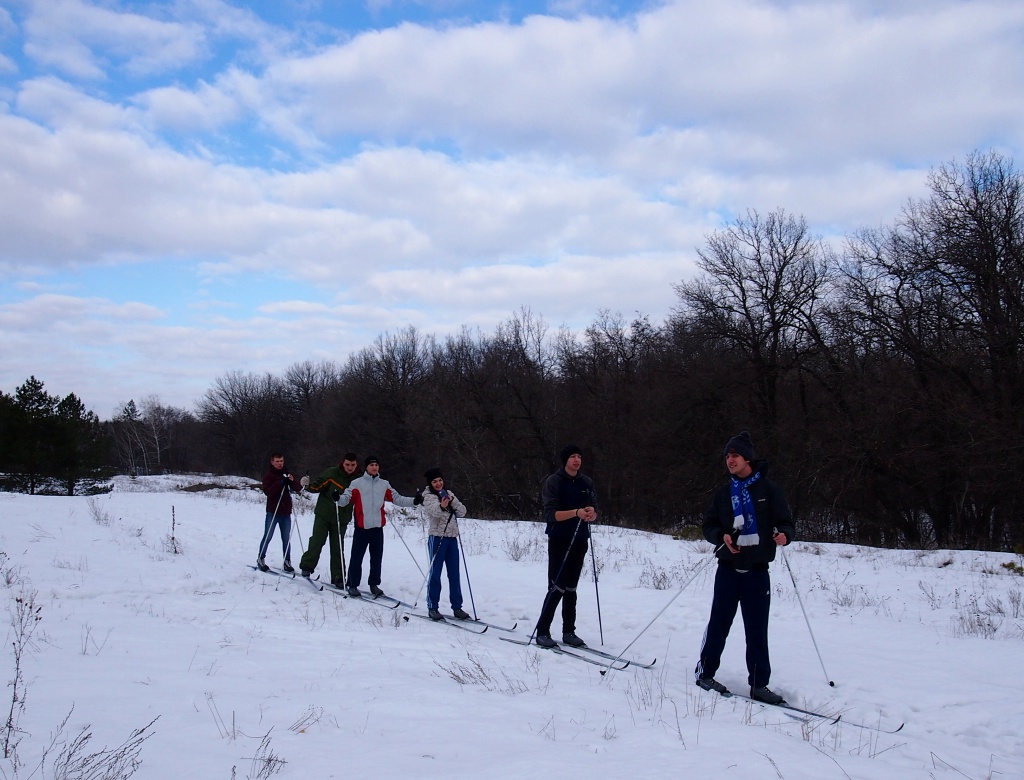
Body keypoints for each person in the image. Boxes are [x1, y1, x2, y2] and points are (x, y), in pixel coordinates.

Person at [694, 431, 795, 705]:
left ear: (747, 458)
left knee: (757, 630)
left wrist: (783, 534)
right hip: (728, 569)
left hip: (757, 571)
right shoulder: (724, 493)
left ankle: (759, 685)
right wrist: (721, 537)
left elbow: (786, 522)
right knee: (719, 624)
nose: (730, 460)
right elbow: (709, 526)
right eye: (727, 456)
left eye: (735, 455)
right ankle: (705, 673)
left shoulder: (769, 490)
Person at [534, 444, 597, 649]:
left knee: (571, 587)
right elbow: (551, 514)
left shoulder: (586, 481)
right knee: (557, 586)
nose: (577, 460)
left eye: (579, 456)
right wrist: (576, 512)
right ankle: (542, 631)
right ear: (565, 460)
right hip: (560, 539)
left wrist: (590, 513)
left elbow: (593, 508)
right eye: (572, 456)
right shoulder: (554, 481)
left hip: (580, 539)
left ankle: (569, 631)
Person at [335, 455, 416, 598]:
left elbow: (397, 498)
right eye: (372, 465)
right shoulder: (357, 483)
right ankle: (352, 584)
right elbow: (346, 499)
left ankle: (374, 584)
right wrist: (338, 498)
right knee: (357, 557)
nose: (374, 467)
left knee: (376, 557)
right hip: (362, 527)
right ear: (366, 467)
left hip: (377, 528)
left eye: (376, 465)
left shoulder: (384, 484)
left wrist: (414, 501)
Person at [299, 453, 360, 587]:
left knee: (337, 546)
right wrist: (307, 485)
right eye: (347, 465)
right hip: (324, 514)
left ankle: (338, 577)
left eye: (352, 465)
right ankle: (307, 566)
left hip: (342, 517)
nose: (350, 468)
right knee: (317, 540)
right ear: (343, 463)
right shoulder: (332, 473)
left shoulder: (359, 478)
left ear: (356, 465)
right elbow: (318, 486)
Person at [420, 468, 470, 621]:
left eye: (440, 480)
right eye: (434, 481)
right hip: (437, 537)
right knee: (435, 573)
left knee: (454, 574)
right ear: (430, 483)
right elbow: (434, 512)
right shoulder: (428, 497)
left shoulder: (449, 494)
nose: (438, 483)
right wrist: (442, 505)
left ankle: (457, 607)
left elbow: (462, 512)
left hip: (452, 538)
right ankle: (432, 607)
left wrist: (452, 501)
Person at [258, 452, 308, 572]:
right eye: (277, 461)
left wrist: (298, 482)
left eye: (281, 461)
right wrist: (280, 483)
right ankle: (261, 558)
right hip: (273, 511)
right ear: (272, 462)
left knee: (286, 538)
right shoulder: (268, 476)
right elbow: (268, 492)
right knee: (268, 536)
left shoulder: (287, 473)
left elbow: (298, 488)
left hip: (285, 512)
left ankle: (287, 561)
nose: (280, 464)